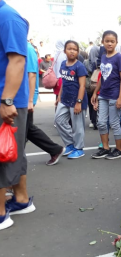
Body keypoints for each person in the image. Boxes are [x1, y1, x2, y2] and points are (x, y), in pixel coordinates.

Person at [0, 0, 36, 231]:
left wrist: (7, 100)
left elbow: (18, 60)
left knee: (4, 153)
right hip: (8, 99)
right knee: (11, 152)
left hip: (6, 100)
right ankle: (21, 199)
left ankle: (0, 213)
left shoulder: (7, 16)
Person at [26, 41, 64, 165]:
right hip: (20, 99)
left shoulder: (27, 48)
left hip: (23, 100)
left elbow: (31, 74)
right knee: (28, 130)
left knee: (24, 130)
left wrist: (31, 100)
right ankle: (54, 150)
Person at [91, 30, 121, 159]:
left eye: (112, 41)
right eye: (107, 41)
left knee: (114, 122)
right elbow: (103, 76)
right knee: (101, 122)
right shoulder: (104, 57)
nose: (110, 44)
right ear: (102, 42)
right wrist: (95, 92)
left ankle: (119, 149)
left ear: (116, 42)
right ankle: (105, 148)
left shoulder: (119, 58)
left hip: (115, 95)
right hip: (103, 95)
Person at [54, 40, 88, 159]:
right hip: (64, 99)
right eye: (69, 49)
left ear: (78, 52)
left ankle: (79, 148)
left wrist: (78, 102)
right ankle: (70, 144)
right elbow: (64, 80)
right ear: (64, 51)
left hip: (77, 100)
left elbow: (82, 85)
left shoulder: (79, 66)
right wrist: (59, 95)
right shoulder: (63, 64)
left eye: (75, 49)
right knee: (59, 120)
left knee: (77, 127)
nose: (72, 51)